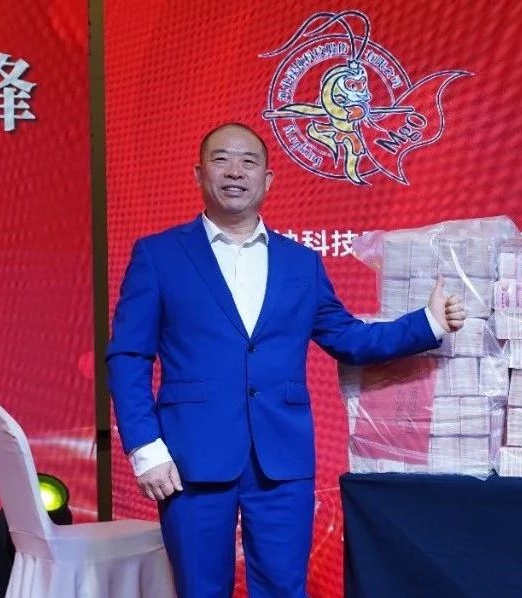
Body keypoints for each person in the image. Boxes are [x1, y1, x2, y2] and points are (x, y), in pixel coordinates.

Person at [106, 122, 466, 597]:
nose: (235, 171)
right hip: (189, 456)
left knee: (283, 588)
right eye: (221, 159)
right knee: (199, 589)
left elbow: (348, 338)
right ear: (198, 174)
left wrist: (428, 323)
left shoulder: (301, 263)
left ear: (268, 179)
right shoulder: (159, 255)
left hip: (282, 457)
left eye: (249, 161)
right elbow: (128, 357)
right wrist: (145, 449)